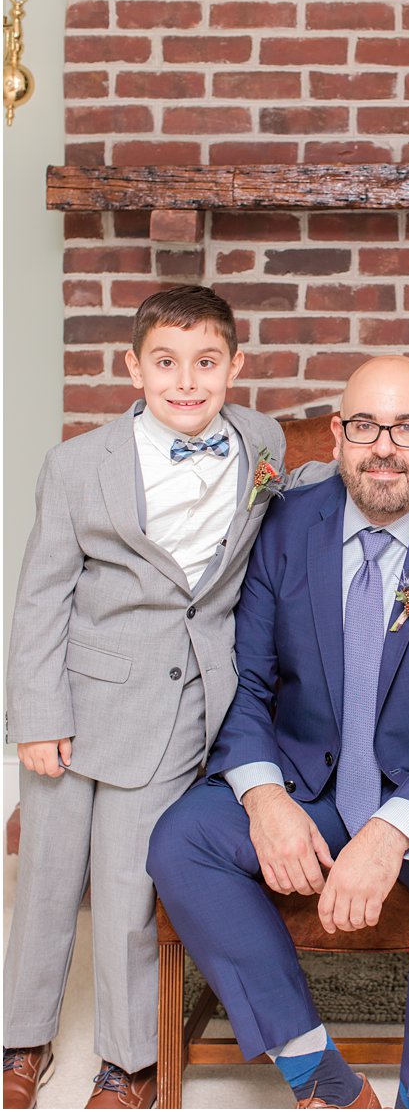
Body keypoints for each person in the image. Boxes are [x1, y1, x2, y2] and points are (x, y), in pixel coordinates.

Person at [146, 355, 409, 1110]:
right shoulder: (286, 525)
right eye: (364, 425)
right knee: (181, 839)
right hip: (313, 777)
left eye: (408, 427)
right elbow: (245, 682)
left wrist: (389, 833)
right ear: (337, 435)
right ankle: (322, 1078)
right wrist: (265, 798)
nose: (385, 445)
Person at [0, 285, 315, 1110]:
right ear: (132, 367)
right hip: (77, 698)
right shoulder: (77, 463)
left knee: (133, 887)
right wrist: (35, 718)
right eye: (167, 363)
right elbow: (41, 597)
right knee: (47, 881)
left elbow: (307, 484)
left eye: (207, 363)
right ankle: (22, 1039)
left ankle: (129, 1059)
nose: (187, 382)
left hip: (181, 702)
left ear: (236, 367)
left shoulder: (262, 441)